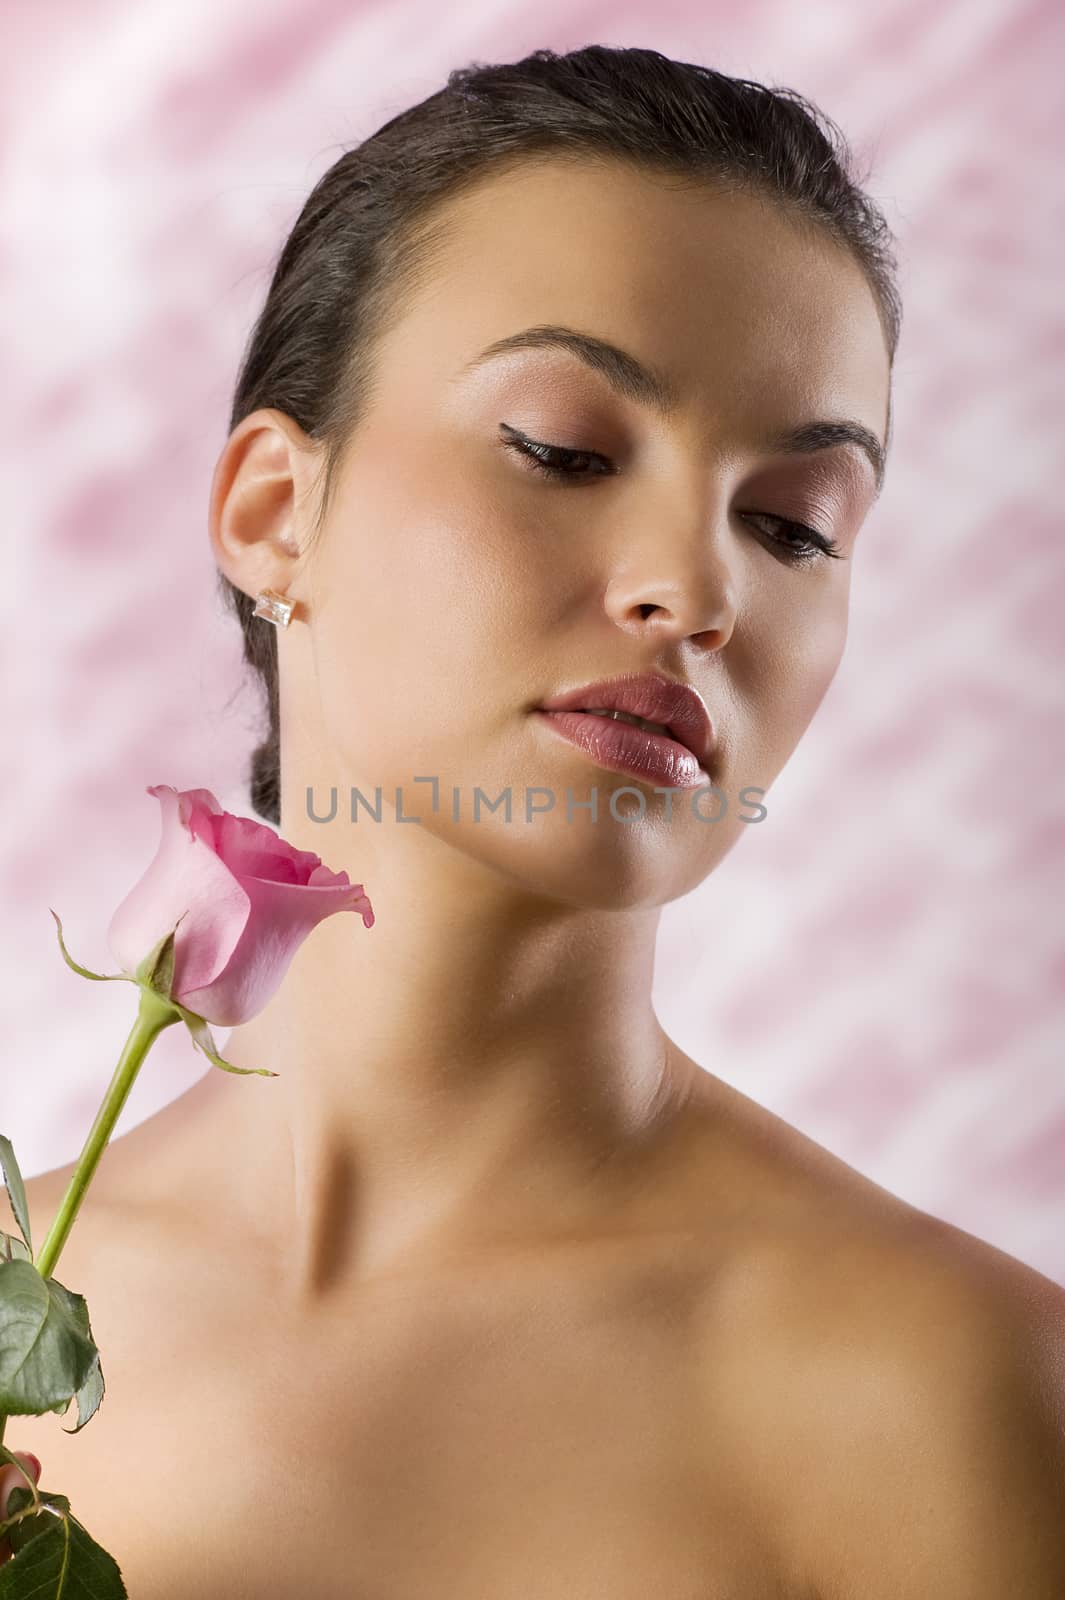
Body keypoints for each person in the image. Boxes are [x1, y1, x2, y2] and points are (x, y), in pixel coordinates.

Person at [5, 42, 1063, 1599]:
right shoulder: (24, 1292)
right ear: (272, 513)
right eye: (566, 451)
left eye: (793, 527)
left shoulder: (949, 1394)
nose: (696, 594)